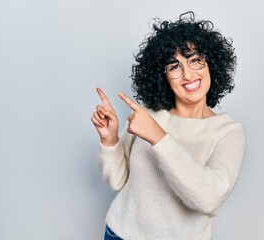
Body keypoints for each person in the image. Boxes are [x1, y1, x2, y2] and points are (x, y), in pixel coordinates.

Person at [91, 11, 246, 240]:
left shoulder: (228, 132)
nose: (188, 74)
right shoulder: (149, 115)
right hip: (120, 233)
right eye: (174, 66)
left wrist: (158, 137)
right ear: (163, 76)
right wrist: (110, 139)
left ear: (211, 64)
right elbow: (118, 180)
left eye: (194, 60)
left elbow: (208, 198)